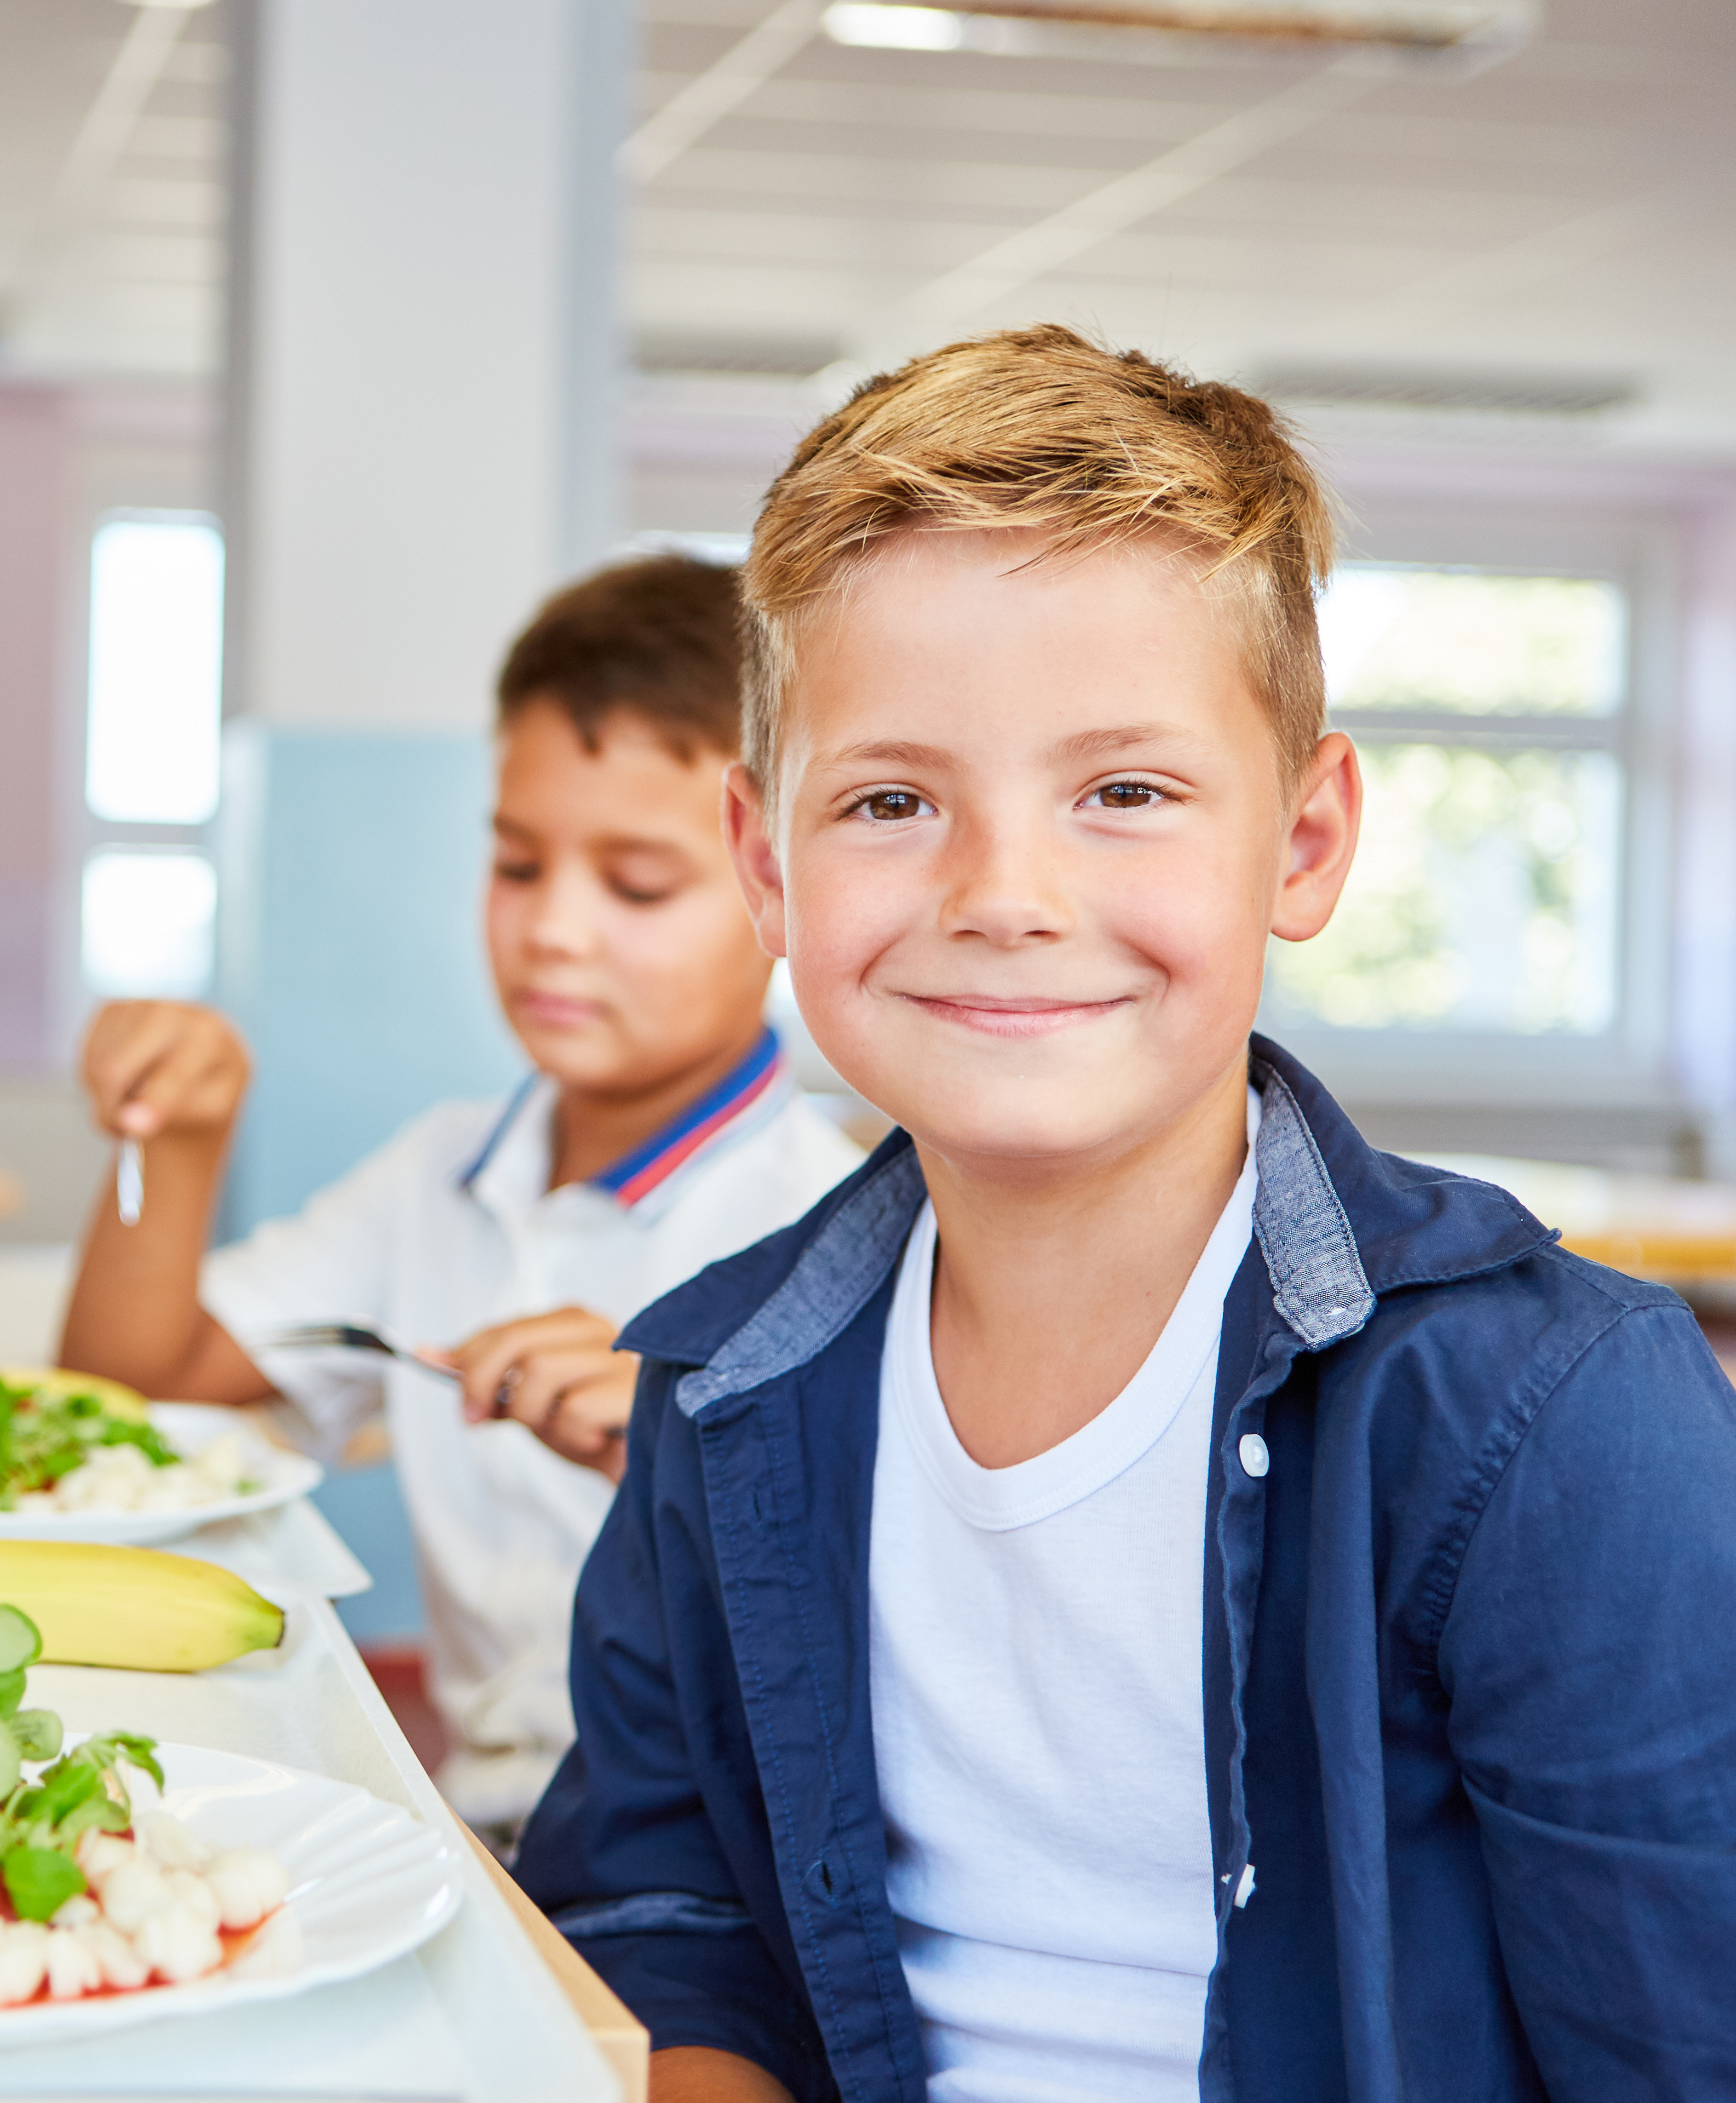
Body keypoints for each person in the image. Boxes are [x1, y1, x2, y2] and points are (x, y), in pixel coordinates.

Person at [516, 326, 1736, 2103]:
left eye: (1127, 793)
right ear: (768, 866)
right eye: (891, 800)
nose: (1006, 895)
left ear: (1304, 846)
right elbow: (667, 1908)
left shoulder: (1563, 1426)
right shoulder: (717, 1383)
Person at [55, 554, 862, 1832]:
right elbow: (118, 1400)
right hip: (473, 1826)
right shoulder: (434, 1173)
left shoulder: (840, 1234)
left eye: (637, 883)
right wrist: (180, 1140)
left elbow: (880, 1659)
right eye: (516, 863)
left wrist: (675, 1461)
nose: (554, 928)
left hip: (724, 1879)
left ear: (775, 883)